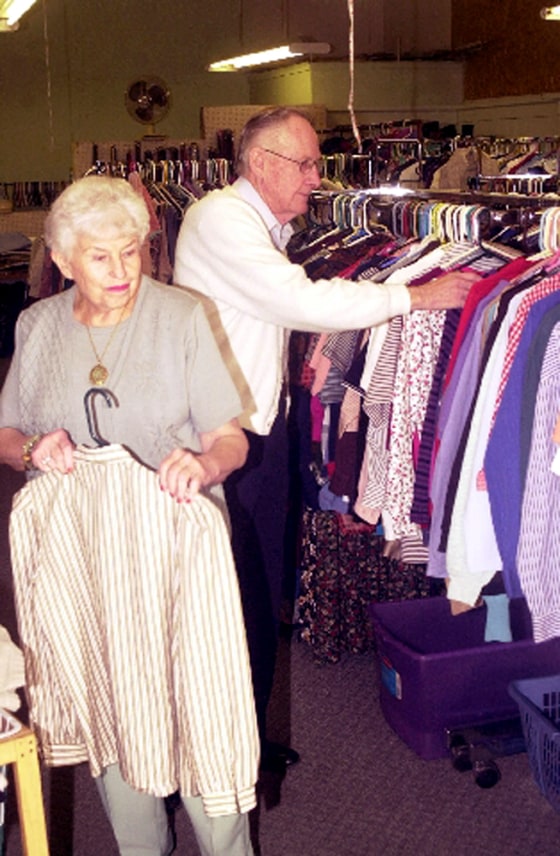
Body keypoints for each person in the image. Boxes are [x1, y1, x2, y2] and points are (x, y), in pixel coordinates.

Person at [173, 106, 480, 772]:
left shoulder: (262, 225)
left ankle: (247, 737)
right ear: (262, 164)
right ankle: (220, 757)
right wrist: (415, 298)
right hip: (227, 441)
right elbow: (303, 301)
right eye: (306, 164)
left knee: (259, 592)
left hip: (262, 428)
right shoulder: (222, 220)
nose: (317, 179)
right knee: (235, 602)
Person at [0, 175, 259, 856]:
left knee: (201, 709)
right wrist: (33, 446)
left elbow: (229, 438)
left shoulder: (180, 315)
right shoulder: (37, 326)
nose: (122, 272)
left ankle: (225, 845)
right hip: (85, 556)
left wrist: (205, 466)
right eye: (100, 258)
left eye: (132, 252)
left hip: (174, 549)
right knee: (115, 709)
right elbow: (6, 432)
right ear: (61, 260)